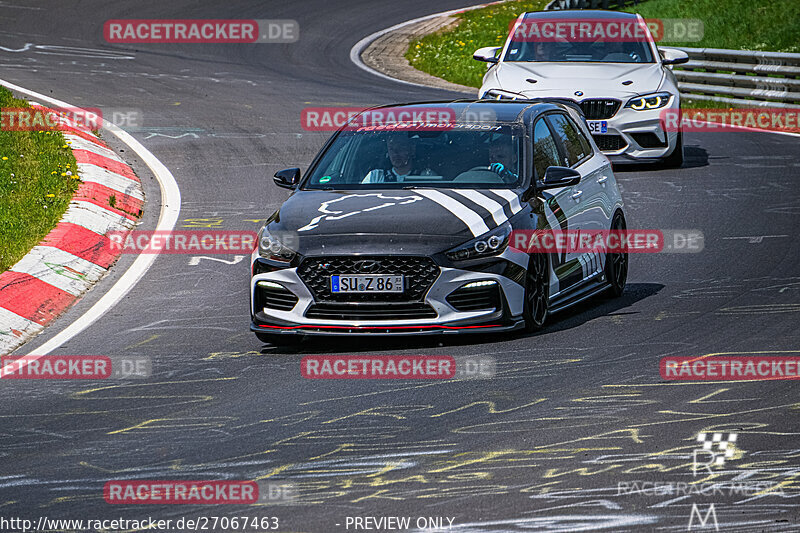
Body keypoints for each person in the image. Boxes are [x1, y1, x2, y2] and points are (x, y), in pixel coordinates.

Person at [362, 133, 433, 183]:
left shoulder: (427, 177)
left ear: (412, 150)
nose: (395, 153)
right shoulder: (375, 177)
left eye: (400, 148)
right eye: (391, 149)